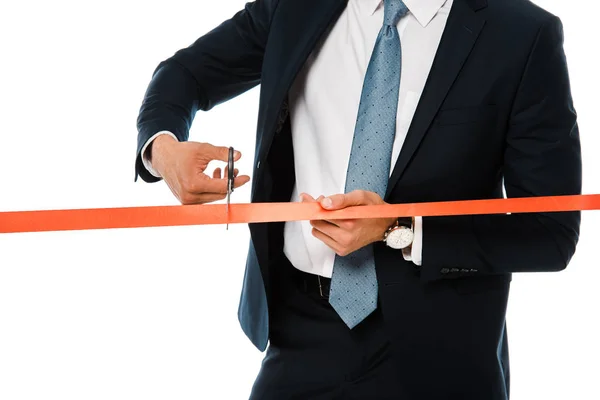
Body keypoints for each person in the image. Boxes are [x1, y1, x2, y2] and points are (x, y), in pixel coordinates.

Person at [134, 0, 582, 398]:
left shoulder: (522, 34)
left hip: (445, 345)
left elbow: (550, 233)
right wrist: (163, 150)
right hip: (303, 331)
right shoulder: (296, 7)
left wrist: (400, 230)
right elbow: (186, 74)